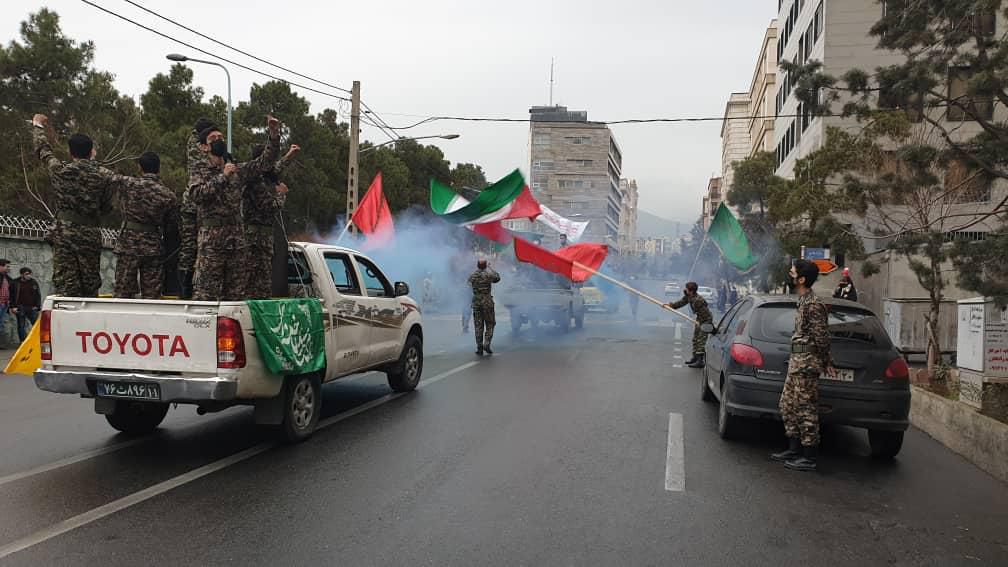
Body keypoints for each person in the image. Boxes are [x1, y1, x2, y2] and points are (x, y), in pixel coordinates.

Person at [189, 116, 280, 301]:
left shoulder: (237, 170)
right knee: (206, 296)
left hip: (237, 241)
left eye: (221, 137)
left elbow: (264, 162)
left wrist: (273, 135)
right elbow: (197, 195)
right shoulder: (199, 169)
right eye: (213, 139)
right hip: (212, 243)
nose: (219, 141)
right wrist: (222, 177)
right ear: (204, 147)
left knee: (236, 296)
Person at [30, 114, 114, 297]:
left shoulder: (60, 171)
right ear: (91, 150)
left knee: (66, 285)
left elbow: (43, 151)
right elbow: (108, 207)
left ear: (70, 152)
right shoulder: (103, 176)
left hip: (65, 234)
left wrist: (37, 126)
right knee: (90, 285)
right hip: (90, 233)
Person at [772, 259, 836, 472]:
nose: (788, 275)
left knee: (805, 408)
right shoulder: (802, 300)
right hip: (796, 362)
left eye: (791, 272)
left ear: (801, 279)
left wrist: (826, 360)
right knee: (787, 405)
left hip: (807, 364)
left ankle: (809, 456)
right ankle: (794, 449)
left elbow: (821, 337)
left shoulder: (813, 304)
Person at [108, 152, 178, 299]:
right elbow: (171, 224)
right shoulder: (168, 195)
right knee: (152, 296)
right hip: (152, 247)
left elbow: (108, 177)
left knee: (123, 292)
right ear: (158, 169)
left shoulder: (129, 184)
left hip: (128, 245)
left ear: (140, 167)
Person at [242, 143, 299, 299]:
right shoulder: (254, 181)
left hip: (264, 237)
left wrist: (289, 155)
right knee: (253, 281)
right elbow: (269, 207)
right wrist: (281, 195)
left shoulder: (264, 176)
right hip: (254, 239)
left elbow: (276, 168)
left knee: (264, 282)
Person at [179, 118, 218, 299]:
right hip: (195, 204)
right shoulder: (197, 148)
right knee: (192, 248)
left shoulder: (196, 144)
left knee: (195, 248)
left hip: (197, 204)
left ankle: (190, 288)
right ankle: (186, 290)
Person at [666, 282, 713, 368]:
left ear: (691, 291)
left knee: (700, 341)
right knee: (695, 339)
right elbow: (682, 302)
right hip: (699, 319)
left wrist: (706, 325)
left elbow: (706, 314)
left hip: (705, 320)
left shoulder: (698, 300)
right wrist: (671, 305)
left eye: (687, 289)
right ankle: (695, 358)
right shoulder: (690, 296)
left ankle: (700, 361)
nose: (685, 290)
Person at [468, 258, 501, 356]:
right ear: (485, 265)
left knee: (478, 326)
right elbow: (497, 278)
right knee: (490, 324)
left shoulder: (473, 276)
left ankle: (479, 347)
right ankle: (487, 344)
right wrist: (490, 268)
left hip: (476, 302)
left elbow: (468, 284)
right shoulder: (488, 275)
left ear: (477, 265)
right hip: (487, 302)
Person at [11, 267, 41, 342]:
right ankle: (23, 342)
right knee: (21, 325)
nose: (29, 276)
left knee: (36, 325)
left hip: (32, 307)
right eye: (27, 274)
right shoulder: (15, 282)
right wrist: (13, 307)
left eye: (30, 274)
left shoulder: (33, 282)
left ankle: (37, 340)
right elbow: (12, 295)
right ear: (22, 274)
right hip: (20, 307)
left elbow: (38, 295)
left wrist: (37, 306)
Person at [0, 260, 11, 346]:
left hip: (4, 305)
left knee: (1, 325)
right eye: (7, 266)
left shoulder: (6, 277)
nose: (8, 268)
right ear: (1, 266)